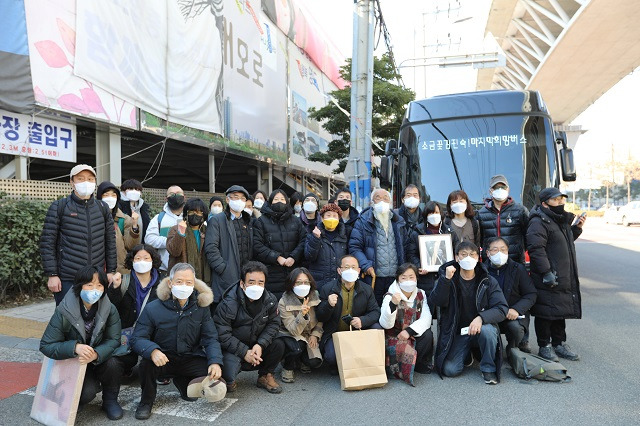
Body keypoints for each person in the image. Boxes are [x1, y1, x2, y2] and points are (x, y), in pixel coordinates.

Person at [130, 263, 223, 420]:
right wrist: (152, 350)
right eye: (179, 282)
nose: (184, 286)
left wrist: (215, 362)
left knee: (216, 374)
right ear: (170, 283)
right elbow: (137, 338)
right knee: (146, 365)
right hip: (164, 358)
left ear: (194, 284)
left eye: (189, 282)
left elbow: (210, 337)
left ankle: (183, 382)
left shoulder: (201, 308)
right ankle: (146, 401)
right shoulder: (153, 308)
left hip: (189, 356)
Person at [39, 266, 123, 420]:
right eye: (89, 285)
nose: (94, 290)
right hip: (74, 361)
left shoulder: (109, 309)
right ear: (79, 286)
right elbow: (46, 345)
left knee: (114, 363)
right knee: (86, 393)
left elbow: (114, 340)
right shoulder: (63, 310)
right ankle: (75, 401)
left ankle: (110, 400)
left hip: (98, 359)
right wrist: (74, 347)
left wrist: (96, 354)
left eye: (99, 285)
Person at [431, 241, 508, 385]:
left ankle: (488, 368)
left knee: (489, 331)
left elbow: (502, 308)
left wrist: (481, 318)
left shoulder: (487, 280)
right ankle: (467, 354)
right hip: (458, 332)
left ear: (478, 257)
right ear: (457, 257)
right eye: (463, 254)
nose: (468, 258)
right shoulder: (449, 278)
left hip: (481, 328)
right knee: (450, 370)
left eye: (472, 255)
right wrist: (445, 280)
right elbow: (437, 301)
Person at [40, 164, 117, 305]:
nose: (86, 182)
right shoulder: (59, 206)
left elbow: (110, 242)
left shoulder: (102, 208)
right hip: (68, 278)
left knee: (94, 321)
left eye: (90, 179)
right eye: (80, 179)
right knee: (67, 320)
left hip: (96, 278)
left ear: (95, 182)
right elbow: (47, 243)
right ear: (72, 182)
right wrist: (52, 274)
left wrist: (111, 270)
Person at [527, 187, 585, 362]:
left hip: (562, 274)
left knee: (560, 311)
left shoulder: (560, 220)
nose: (560, 202)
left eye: (562, 199)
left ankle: (559, 344)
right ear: (545, 203)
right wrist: (546, 272)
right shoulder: (539, 221)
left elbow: (561, 242)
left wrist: (576, 229)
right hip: (548, 275)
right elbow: (536, 249)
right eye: (556, 200)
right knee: (546, 313)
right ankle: (544, 346)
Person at [477, 175, 532, 352]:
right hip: (490, 263)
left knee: (519, 296)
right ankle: (492, 332)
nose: (499, 190)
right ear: (490, 191)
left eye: (503, 187)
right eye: (496, 187)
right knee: (493, 297)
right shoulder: (482, 213)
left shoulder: (520, 210)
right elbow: (479, 239)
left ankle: (522, 340)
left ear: (508, 190)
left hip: (515, 261)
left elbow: (529, 235)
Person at [214, 261, 285, 394]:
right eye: (251, 282)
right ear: (242, 284)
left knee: (279, 344)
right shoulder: (228, 303)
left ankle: (265, 375)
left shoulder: (270, 300)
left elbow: (274, 324)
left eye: (260, 283)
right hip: (234, 349)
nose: (256, 286)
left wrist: (260, 344)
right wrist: (244, 352)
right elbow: (222, 334)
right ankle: (229, 377)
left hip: (257, 346)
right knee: (228, 381)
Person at [107, 244, 162, 379]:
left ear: (153, 261)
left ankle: (159, 371)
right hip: (126, 332)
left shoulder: (163, 283)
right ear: (132, 261)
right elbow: (110, 309)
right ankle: (127, 369)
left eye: (146, 258)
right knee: (123, 361)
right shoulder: (123, 281)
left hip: (152, 333)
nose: (142, 261)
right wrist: (114, 288)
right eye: (138, 258)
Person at [316, 255, 381, 369]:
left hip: (357, 332)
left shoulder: (366, 289)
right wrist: (328, 305)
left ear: (359, 271)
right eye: (346, 267)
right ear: (339, 270)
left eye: (353, 267)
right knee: (331, 357)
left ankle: (367, 363)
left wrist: (362, 320)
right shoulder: (328, 288)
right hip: (335, 333)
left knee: (377, 327)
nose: (350, 270)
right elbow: (320, 316)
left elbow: (375, 312)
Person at [348, 188, 407, 305]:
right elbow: (355, 247)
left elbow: (405, 246)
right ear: (372, 202)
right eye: (378, 198)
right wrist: (366, 265)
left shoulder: (398, 221)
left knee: (393, 311)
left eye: (385, 198)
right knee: (376, 309)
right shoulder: (363, 221)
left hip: (395, 276)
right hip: (375, 276)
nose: (382, 201)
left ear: (390, 202)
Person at [380, 263, 434, 383]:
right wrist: (393, 304)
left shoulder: (421, 293)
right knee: (399, 349)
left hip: (411, 333)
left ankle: (418, 363)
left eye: (411, 277)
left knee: (427, 335)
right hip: (394, 335)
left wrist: (409, 331)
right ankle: (399, 368)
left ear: (416, 278)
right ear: (398, 280)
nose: (408, 281)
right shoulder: (390, 295)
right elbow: (385, 324)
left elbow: (426, 317)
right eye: (404, 278)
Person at [205, 185, 254, 311]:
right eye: (235, 197)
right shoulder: (217, 220)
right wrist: (223, 268)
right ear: (227, 200)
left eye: (243, 199)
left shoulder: (248, 221)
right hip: (226, 276)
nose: (239, 201)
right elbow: (211, 248)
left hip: (246, 274)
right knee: (224, 310)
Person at [484, 237, 537, 352]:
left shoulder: (518, 269)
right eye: (495, 250)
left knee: (515, 328)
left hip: (511, 314)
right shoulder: (481, 271)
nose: (499, 253)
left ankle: (513, 347)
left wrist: (516, 309)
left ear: (508, 251)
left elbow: (531, 294)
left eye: (503, 249)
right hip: (490, 314)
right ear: (488, 253)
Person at [253, 189, 307, 300]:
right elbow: (257, 245)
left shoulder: (295, 221)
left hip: (293, 272)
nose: (279, 202)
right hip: (271, 273)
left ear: (287, 202)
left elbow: (303, 240)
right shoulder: (261, 221)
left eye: (282, 199)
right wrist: (276, 257)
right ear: (270, 202)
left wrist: (293, 256)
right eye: (276, 199)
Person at [278, 268, 323, 383]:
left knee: (315, 362)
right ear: (292, 284)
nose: (303, 285)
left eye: (306, 282)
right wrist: (302, 315)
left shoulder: (315, 296)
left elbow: (322, 318)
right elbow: (293, 330)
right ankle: (287, 366)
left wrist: (315, 334)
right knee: (297, 347)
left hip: (310, 334)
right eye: (298, 282)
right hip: (291, 335)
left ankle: (302, 360)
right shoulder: (284, 301)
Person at [97, 181, 140, 275]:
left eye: (113, 195)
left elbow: (131, 246)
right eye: (106, 195)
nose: (110, 198)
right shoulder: (92, 217)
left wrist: (134, 226)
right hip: (96, 268)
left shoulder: (123, 219)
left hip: (118, 271)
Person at [407, 201, 449, 295]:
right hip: (425, 280)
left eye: (437, 213)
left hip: (445, 277)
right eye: (431, 213)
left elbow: (455, 252)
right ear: (426, 215)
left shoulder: (449, 232)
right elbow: (411, 254)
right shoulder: (417, 232)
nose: (434, 216)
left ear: (441, 214)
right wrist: (419, 266)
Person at [305, 203, 348, 290]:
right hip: (319, 283)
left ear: (339, 218)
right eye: (328, 215)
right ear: (322, 218)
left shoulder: (345, 235)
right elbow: (309, 257)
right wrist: (315, 239)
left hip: (339, 282)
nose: (331, 218)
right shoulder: (313, 234)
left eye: (334, 216)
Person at [166, 198, 210, 283]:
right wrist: (180, 233)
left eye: (198, 212)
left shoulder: (208, 231)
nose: (195, 214)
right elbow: (174, 251)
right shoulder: (175, 229)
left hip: (204, 279)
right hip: (181, 279)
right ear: (186, 213)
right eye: (191, 211)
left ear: (203, 215)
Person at [144, 185, 185, 275]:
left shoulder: (191, 217)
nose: (175, 196)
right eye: (171, 194)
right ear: (166, 198)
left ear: (184, 197)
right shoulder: (159, 218)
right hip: (164, 270)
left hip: (188, 270)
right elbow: (149, 239)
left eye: (178, 193)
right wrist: (171, 242)